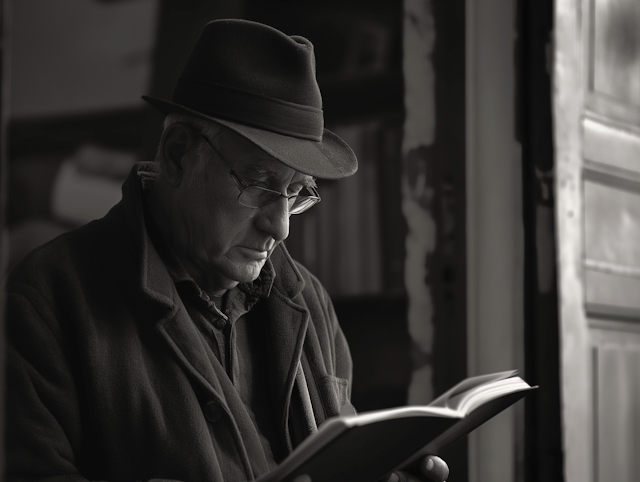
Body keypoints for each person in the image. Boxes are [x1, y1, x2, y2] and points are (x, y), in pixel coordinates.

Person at [5, 19, 448, 482]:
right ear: (178, 155)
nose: (279, 228)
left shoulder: (309, 303)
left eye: (297, 194)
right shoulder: (47, 301)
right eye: (258, 184)